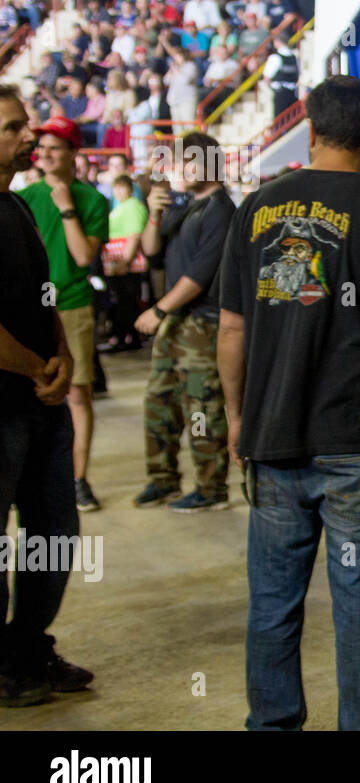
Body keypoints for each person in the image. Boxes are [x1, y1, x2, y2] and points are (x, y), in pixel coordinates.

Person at [218, 75, 360, 730]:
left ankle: (274, 725)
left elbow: (231, 331)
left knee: (272, 610)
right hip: (358, 444)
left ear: (309, 132)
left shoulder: (255, 208)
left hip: (274, 440)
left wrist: (236, 419)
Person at [0, 85, 94, 707]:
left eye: (24, 125)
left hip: (41, 402)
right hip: (6, 407)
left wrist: (60, 357)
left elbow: (45, 294)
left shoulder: (18, 209)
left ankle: (27, 646)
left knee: (53, 532)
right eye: (12, 127)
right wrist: (40, 368)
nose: (28, 137)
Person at [133, 132, 237, 513]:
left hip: (203, 324)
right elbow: (151, 252)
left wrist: (159, 310)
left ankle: (211, 488)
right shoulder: (183, 207)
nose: (179, 169)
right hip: (177, 322)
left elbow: (199, 275)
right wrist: (155, 213)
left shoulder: (222, 211)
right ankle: (162, 480)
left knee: (201, 410)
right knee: (159, 403)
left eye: (188, 161)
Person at [17, 117, 108, 514]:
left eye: (56, 147)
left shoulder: (91, 200)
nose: (47, 154)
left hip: (72, 304)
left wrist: (66, 207)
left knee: (77, 392)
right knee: (29, 391)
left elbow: (84, 257)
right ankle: (29, 479)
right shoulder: (24, 197)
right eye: (44, 147)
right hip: (31, 307)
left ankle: (78, 479)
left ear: (73, 153)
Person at [100, 174, 147, 353]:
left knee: (125, 302)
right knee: (124, 301)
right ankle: (127, 336)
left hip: (126, 264)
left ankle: (125, 337)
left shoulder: (133, 207)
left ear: (130, 189)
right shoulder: (121, 206)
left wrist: (125, 261)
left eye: (122, 187)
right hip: (116, 262)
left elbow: (134, 235)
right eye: (116, 188)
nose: (119, 191)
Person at [263, 33, 299, 119]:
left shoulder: (275, 57)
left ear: (277, 42)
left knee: (279, 121)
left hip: (280, 93)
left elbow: (266, 78)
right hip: (293, 94)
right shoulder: (295, 57)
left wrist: (273, 89)